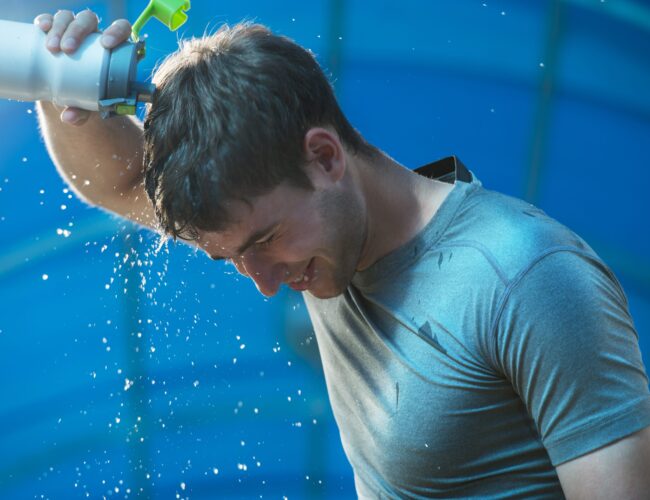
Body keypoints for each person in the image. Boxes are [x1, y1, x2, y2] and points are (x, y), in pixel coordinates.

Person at [33, 9, 650, 499]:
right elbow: (115, 184)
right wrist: (59, 89)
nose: (267, 284)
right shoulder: (317, 242)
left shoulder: (525, 278)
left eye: (265, 243)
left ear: (326, 157)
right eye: (233, 260)